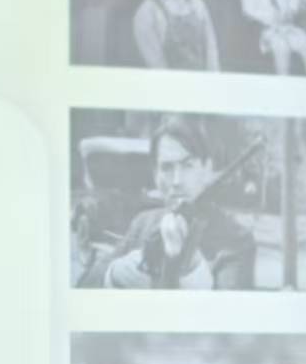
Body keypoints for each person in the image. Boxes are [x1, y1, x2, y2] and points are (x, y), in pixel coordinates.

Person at [86, 116, 256, 291]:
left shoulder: (236, 239)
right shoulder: (143, 223)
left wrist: (192, 268)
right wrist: (113, 274)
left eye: (188, 165)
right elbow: (85, 284)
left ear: (207, 168)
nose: (176, 181)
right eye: (167, 168)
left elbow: (229, 306)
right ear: (155, 175)